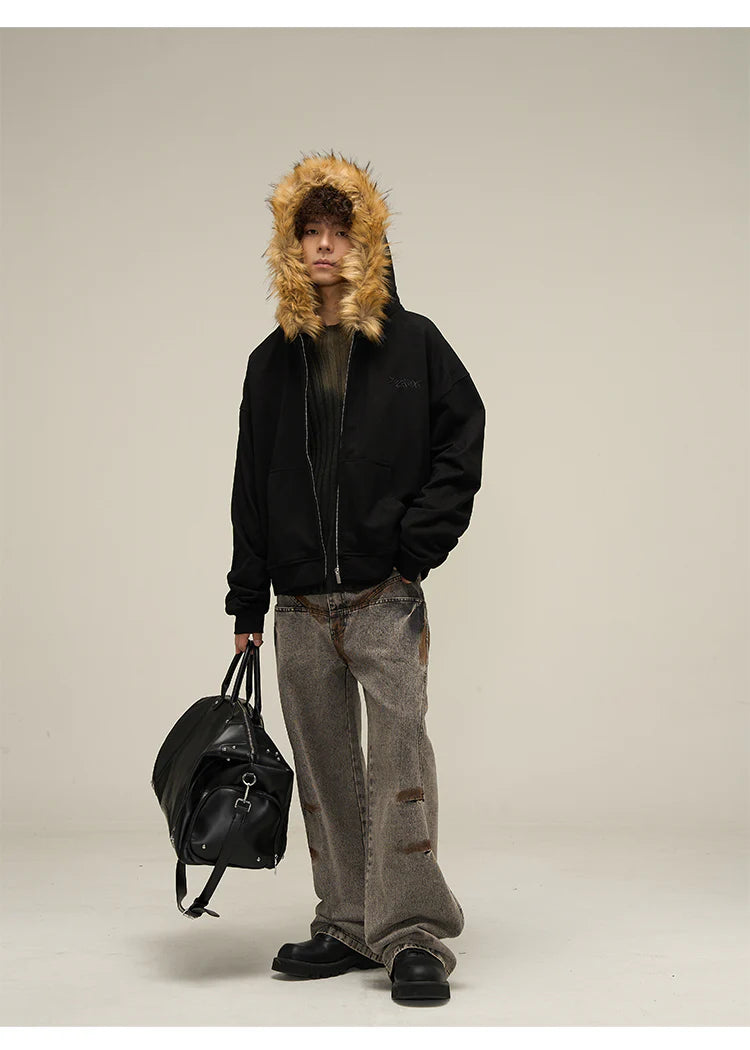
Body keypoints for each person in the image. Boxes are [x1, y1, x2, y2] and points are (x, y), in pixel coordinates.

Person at [225, 151, 485, 1003]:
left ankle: (410, 932)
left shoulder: (415, 344)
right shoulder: (270, 364)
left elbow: (462, 438)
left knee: (399, 765)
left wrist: (416, 548)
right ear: (290, 246)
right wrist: (247, 597)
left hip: (382, 597)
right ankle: (344, 920)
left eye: (341, 231)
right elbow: (250, 484)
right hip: (297, 605)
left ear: (367, 242)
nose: (325, 246)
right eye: (310, 232)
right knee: (325, 769)